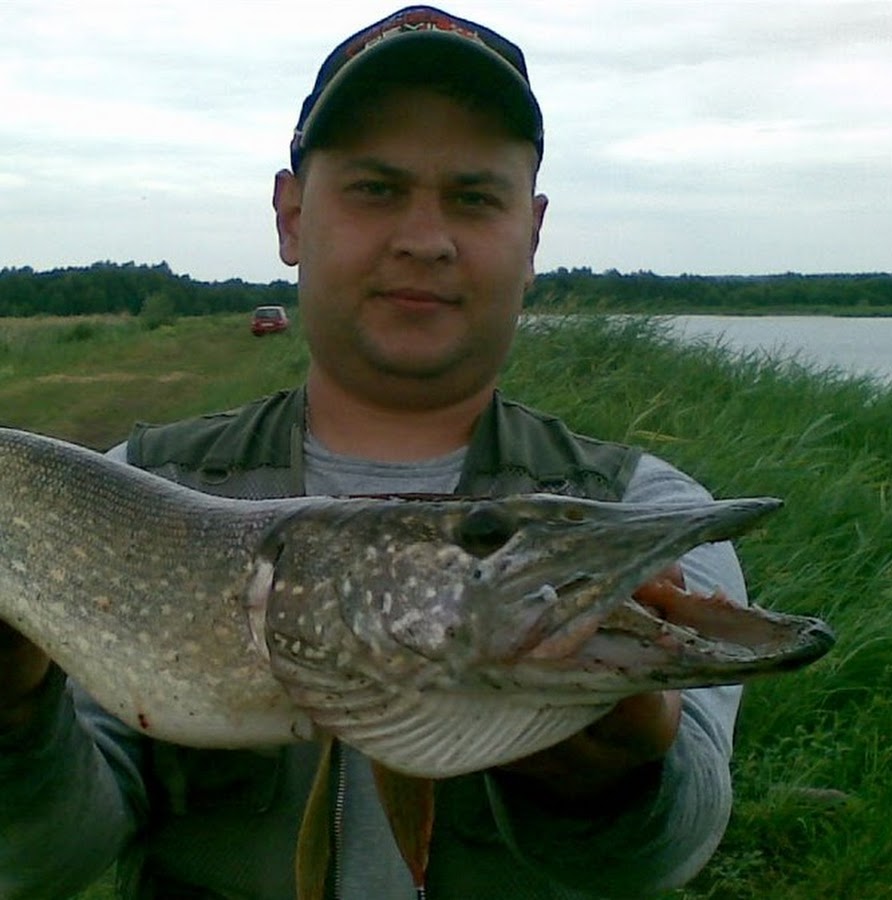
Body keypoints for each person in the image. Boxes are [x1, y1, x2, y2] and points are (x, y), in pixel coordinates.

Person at [0, 7, 748, 898]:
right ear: (291, 214)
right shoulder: (138, 486)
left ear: (534, 232)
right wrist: (12, 712)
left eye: (473, 196)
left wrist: (603, 781)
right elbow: (42, 861)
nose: (424, 239)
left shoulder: (642, 509)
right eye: (376, 188)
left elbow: (664, 854)